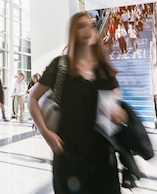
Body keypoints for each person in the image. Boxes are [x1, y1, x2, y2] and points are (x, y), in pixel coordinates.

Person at [28, 11, 127, 194]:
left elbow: (115, 108)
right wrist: (45, 132)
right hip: (68, 159)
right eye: (80, 26)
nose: (87, 29)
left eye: (90, 25)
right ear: (73, 33)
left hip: (103, 161)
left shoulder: (104, 71)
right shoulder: (60, 65)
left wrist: (118, 115)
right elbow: (32, 98)